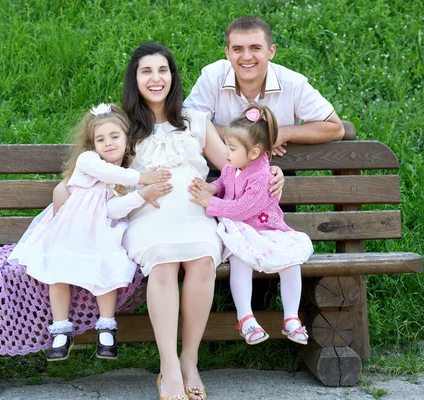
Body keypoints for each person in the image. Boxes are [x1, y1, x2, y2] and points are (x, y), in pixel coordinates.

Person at [120, 43, 284, 400]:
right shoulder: (123, 125)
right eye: (146, 71)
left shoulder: (195, 120)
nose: (156, 78)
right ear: (135, 79)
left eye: (163, 70)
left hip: (197, 213)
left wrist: (273, 171)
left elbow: (234, 163)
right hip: (150, 215)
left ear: (173, 77)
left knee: (203, 260)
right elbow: (107, 174)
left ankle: (189, 359)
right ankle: (168, 368)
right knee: (163, 265)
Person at [8, 103, 172, 362]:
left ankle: (106, 325)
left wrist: (140, 194)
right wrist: (142, 180)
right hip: (70, 232)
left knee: (109, 263)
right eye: (100, 139)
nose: (108, 143)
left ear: (127, 139)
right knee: (57, 270)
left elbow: (114, 211)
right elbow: (107, 172)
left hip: (102, 233)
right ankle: (61, 329)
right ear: (91, 144)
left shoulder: (126, 178)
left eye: (114, 137)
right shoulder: (89, 162)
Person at [188, 103, 313, 346]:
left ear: (254, 153)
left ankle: (291, 318)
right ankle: (245, 317)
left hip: (266, 230)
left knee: (291, 261)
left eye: (231, 148)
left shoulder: (262, 177)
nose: (226, 152)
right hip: (242, 232)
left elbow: (242, 209)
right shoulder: (234, 165)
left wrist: (209, 202)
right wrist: (211, 188)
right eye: (226, 145)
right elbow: (224, 182)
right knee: (239, 259)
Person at [183, 15, 344, 157]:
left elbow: (336, 128)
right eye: (238, 49)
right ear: (228, 53)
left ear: (271, 51)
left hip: (277, 169)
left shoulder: (292, 84)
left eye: (255, 48)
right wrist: (246, 137)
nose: (246, 57)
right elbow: (188, 122)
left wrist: (282, 133)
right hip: (221, 167)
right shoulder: (213, 77)